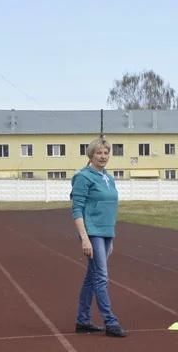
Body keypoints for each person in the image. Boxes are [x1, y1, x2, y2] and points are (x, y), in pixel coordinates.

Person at [70, 136, 126, 337]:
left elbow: (109, 207)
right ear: (91, 155)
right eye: (99, 153)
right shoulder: (83, 177)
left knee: (91, 277)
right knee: (101, 276)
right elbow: (77, 210)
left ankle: (82, 320)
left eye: (106, 152)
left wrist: (112, 235)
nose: (103, 156)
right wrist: (84, 238)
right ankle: (110, 321)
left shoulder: (108, 178)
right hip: (92, 233)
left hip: (106, 233)